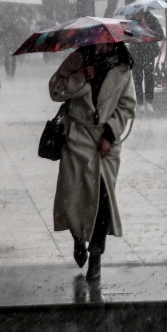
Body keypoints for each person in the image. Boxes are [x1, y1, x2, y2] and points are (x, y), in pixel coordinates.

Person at [49, 42, 137, 281]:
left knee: (103, 200)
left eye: (110, 43)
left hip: (105, 146)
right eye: (101, 43)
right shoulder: (77, 59)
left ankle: (96, 254)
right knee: (74, 197)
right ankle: (78, 238)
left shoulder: (123, 67)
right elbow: (55, 91)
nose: (105, 47)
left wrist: (110, 134)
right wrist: (79, 77)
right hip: (77, 137)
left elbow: (127, 106)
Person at [130, 9, 165, 113]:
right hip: (136, 53)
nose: (137, 14)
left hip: (149, 53)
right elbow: (127, 36)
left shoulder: (152, 20)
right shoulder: (131, 22)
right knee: (137, 77)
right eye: (136, 12)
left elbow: (160, 35)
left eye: (139, 12)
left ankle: (149, 101)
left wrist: (148, 30)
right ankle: (140, 102)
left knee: (149, 76)